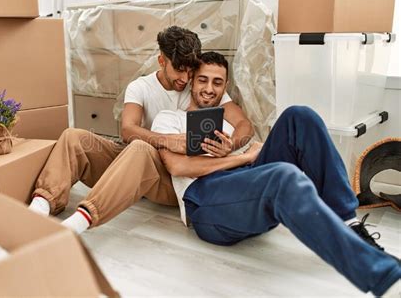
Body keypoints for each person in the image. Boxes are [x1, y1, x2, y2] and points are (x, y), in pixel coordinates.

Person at [152, 52, 400, 296]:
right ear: (192, 80)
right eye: (203, 80)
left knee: (300, 116)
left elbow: (246, 134)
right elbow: (178, 167)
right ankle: (385, 279)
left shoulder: (225, 124)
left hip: (246, 183)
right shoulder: (169, 119)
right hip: (206, 203)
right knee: (284, 176)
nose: (209, 88)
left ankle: (349, 223)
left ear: (224, 86)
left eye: (217, 82)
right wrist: (241, 157)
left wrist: (237, 149)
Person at [28, 26, 253, 234]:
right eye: (179, 70)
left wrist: (230, 145)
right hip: (139, 158)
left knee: (140, 148)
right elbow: (128, 130)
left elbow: (244, 125)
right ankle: (41, 205)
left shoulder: (200, 85)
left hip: (170, 176)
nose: (185, 78)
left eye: (190, 71)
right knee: (73, 137)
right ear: (162, 61)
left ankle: (80, 221)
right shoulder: (141, 87)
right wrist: (168, 140)